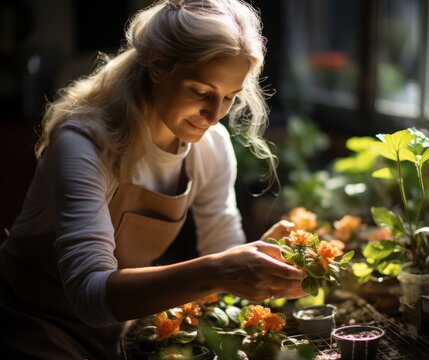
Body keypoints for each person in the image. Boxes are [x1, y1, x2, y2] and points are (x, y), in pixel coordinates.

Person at [0, 0, 305, 358]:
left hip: (120, 325)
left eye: (228, 97)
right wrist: (222, 269)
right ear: (159, 66)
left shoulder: (210, 147)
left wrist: (259, 265)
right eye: (200, 92)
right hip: (31, 323)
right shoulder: (84, 142)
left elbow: (222, 247)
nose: (213, 115)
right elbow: (89, 294)